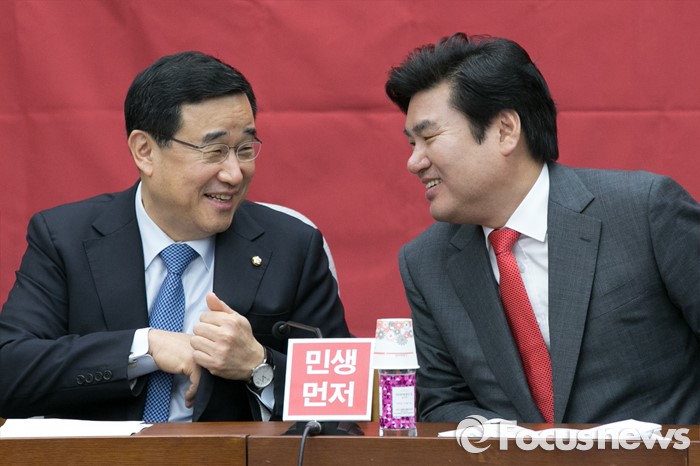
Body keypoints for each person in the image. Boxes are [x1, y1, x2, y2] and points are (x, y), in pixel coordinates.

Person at [0, 51, 350, 422]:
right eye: (214, 151)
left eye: (245, 149)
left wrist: (258, 365)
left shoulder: (290, 246)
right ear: (145, 151)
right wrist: (145, 347)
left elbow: (342, 403)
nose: (234, 173)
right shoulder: (65, 239)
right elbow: (9, 369)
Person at [385, 33, 700, 424]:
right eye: (411, 144)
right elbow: (441, 403)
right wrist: (514, 440)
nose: (414, 162)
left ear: (505, 130)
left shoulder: (644, 211)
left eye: (429, 137)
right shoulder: (425, 262)